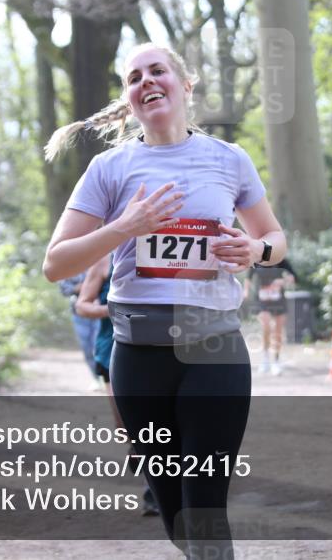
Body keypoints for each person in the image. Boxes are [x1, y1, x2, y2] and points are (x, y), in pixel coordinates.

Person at [43, 43, 286, 559]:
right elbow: (55, 264)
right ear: (129, 99)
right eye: (134, 77)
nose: (146, 81)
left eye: (157, 71)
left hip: (215, 351)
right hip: (139, 358)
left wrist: (255, 250)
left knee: (205, 509)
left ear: (185, 84)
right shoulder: (109, 168)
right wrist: (124, 227)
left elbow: (274, 238)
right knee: (177, 517)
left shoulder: (229, 159)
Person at [75, 253, 160, 517]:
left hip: (159, 348)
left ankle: (154, 493)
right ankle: (137, 448)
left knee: (160, 423)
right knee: (127, 426)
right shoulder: (102, 260)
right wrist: (113, 309)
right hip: (111, 350)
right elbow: (82, 305)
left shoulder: (163, 251)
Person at [244, 258, 298, 376]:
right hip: (262, 300)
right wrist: (246, 291)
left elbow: (294, 278)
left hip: (278, 300)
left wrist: (282, 281)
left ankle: (276, 361)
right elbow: (248, 277)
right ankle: (265, 358)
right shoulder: (257, 259)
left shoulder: (281, 260)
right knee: (266, 326)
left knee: (278, 330)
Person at [58, 272, 100, 382]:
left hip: (100, 312)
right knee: (87, 348)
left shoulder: (99, 264)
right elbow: (63, 289)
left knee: (98, 346)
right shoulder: (69, 268)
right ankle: (96, 378)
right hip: (78, 314)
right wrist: (79, 288)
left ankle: (106, 377)